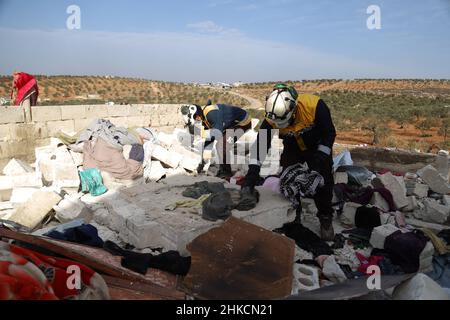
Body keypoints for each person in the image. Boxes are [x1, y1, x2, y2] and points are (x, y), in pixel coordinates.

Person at [242, 84, 337, 240]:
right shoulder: (271, 118)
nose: (280, 126)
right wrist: (252, 174)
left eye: (284, 122)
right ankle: (294, 214)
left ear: (293, 108)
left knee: (324, 182)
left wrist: (319, 159)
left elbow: (329, 133)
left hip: (317, 146)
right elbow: (260, 146)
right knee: (288, 181)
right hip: (292, 147)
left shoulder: (314, 106)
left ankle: (325, 217)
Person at [181, 101, 252, 178]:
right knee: (221, 143)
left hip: (243, 123)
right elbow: (209, 140)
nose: (196, 122)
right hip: (233, 123)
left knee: (222, 145)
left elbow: (218, 133)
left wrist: (199, 132)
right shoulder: (204, 118)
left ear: (197, 115)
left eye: (196, 120)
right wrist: (203, 163)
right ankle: (223, 169)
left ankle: (226, 172)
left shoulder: (211, 114)